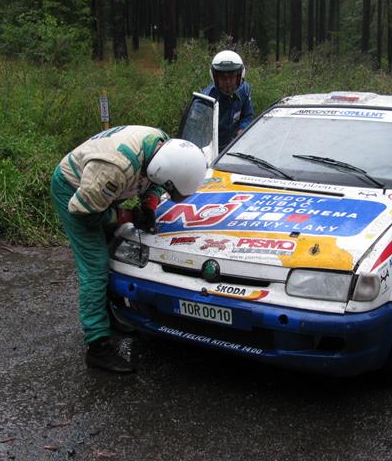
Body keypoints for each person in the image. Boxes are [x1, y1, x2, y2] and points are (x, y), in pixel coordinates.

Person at [50, 126, 207, 372]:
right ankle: (97, 345)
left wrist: (149, 206)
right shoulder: (114, 169)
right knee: (96, 265)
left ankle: (110, 317)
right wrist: (127, 215)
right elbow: (84, 213)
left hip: (102, 186)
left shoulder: (162, 147)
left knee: (116, 248)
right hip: (74, 192)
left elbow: (154, 183)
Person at [202, 50, 254, 152]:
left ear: (239, 76)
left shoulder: (245, 91)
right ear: (215, 77)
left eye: (232, 76)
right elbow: (200, 132)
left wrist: (242, 130)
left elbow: (247, 115)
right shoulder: (206, 99)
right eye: (223, 77)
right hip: (212, 150)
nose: (228, 82)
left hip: (236, 146)